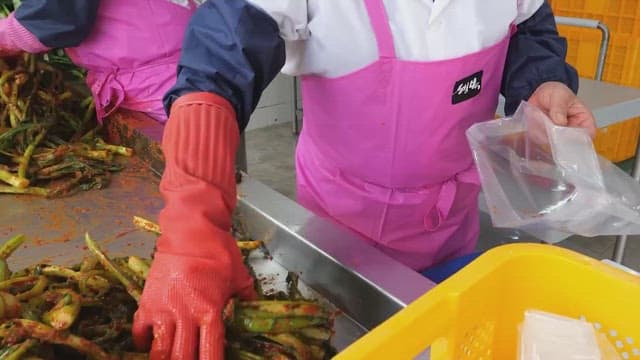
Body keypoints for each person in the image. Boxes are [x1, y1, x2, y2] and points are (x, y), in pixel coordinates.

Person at [131, 0, 597, 358]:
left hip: (453, 216)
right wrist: (192, 227)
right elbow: (216, 69)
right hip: (342, 232)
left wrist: (540, 84)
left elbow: (529, 27)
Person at [0, 0, 200, 122]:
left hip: (162, 83)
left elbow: (52, 18)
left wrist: (4, 37)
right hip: (170, 71)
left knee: (187, 168)